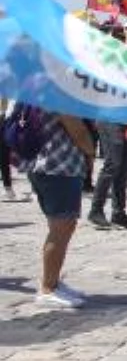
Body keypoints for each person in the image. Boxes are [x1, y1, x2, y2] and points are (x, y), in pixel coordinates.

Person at [20, 106, 95, 308]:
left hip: (48, 164)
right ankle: (47, 288)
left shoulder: (40, 87)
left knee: (62, 226)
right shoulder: (56, 90)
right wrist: (90, 151)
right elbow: (75, 128)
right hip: (57, 165)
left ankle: (53, 282)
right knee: (61, 227)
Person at [88, 24, 127, 231]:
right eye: (121, 35)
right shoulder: (108, 55)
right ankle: (96, 210)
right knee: (112, 163)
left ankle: (118, 211)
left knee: (123, 168)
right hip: (109, 116)